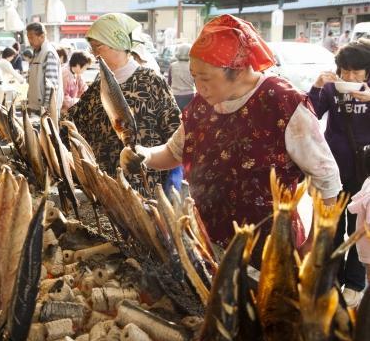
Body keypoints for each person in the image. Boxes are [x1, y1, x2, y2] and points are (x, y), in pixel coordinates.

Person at [121, 14, 342, 267]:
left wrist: (314, 245)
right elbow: (173, 153)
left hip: (266, 247)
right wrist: (142, 156)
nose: (198, 87)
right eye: (194, 77)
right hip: (205, 240)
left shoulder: (282, 103)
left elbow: (327, 180)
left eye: (205, 78)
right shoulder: (202, 106)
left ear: (237, 71)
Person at [64, 13, 181, 193]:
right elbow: (73, 125)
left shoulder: (151, 81)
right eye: (92, 47)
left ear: (118, 44)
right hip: (105, 185)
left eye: (98, 47)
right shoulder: (97, 87)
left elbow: (174, 132)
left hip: (144, 185)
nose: (94, 53)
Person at [309, 40, 370, 307]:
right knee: (331, 228)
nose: (350, 77)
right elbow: (309, 115)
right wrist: (316, 87)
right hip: (332, 170)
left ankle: (355, 284)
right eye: (345, 71)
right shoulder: (332, 89)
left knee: (361, 229)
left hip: (365, 173)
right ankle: (331, 280)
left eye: (357, 72)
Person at [26, 22, 63, 113]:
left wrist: (46, 107)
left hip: (46, 109)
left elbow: (51, 84)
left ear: (42, 36)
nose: (29, 41)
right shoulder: (36, 52)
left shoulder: (48, 53)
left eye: (31, 38)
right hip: (36, 106)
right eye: (28, 38)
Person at [167, 43, 195, 110]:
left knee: (177, 118)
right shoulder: (193, 66)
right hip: (189, 96)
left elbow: (169, 83)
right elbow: (196, 82)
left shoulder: (172, 66)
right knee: (187, 117)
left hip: (175, 96)